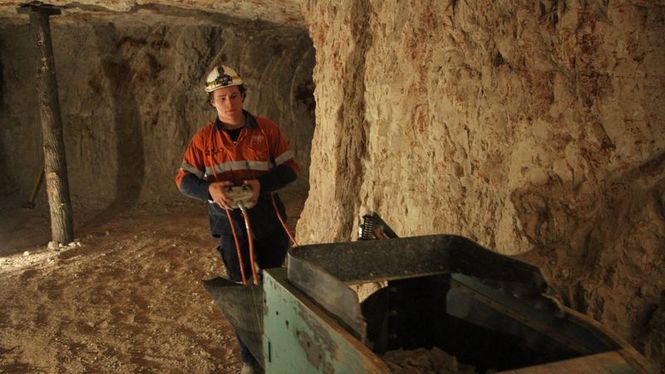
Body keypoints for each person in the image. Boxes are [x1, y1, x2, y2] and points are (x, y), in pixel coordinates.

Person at [175, 64, 298, 373]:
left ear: (242, 96)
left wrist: (261, 185)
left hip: (269, 220)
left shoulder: (266, 130)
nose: (229, 104)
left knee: (274, 285)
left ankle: (278, 351)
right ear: (213, 103)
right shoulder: (203, 140)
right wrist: (210, 190)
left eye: (233, 96)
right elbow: (183, 180)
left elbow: (290, 169)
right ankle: (250, 359)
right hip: (229, 225)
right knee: (242, 289)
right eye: (221, 98)